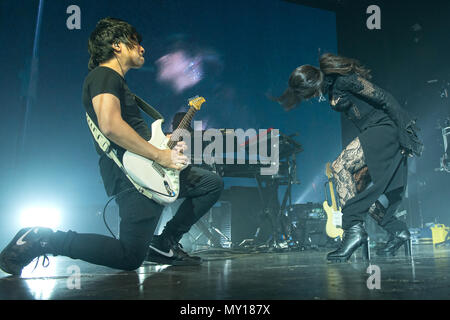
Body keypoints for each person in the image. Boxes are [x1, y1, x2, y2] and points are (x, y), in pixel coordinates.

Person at [0, 18, 223, 276]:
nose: (142, 49)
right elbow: (110, 126)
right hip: (132, 174)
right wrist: (161, 155)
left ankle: (164, 242)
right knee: (129, 256)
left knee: (210, 184)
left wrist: (169, 148)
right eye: (135, 43)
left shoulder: (114, 81)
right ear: (117, 45)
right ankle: (44, 239)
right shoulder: (104, 75)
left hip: (148, 168)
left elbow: (129, 129)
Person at [273, 53, 423, 262]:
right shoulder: (329, 89)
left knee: (339, 166)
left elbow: (384, 98)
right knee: (359, 193)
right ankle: (398, 231)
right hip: (372, 132)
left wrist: (405, 131)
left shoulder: (344, 80)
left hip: (384, 128)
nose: (306, 99)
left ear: (311, 86)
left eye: (304, 94)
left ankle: (353, 231)